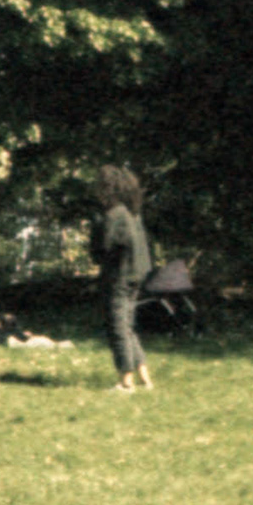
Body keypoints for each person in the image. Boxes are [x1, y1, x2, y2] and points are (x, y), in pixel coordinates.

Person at [97, 166, 153, 392]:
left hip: (118, 277)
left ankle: (126, 382)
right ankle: (145, 379)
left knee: (118, 328)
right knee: (128, 327)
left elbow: (103, 249)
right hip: (136, 275)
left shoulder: (114, 214)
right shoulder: (133, 213)